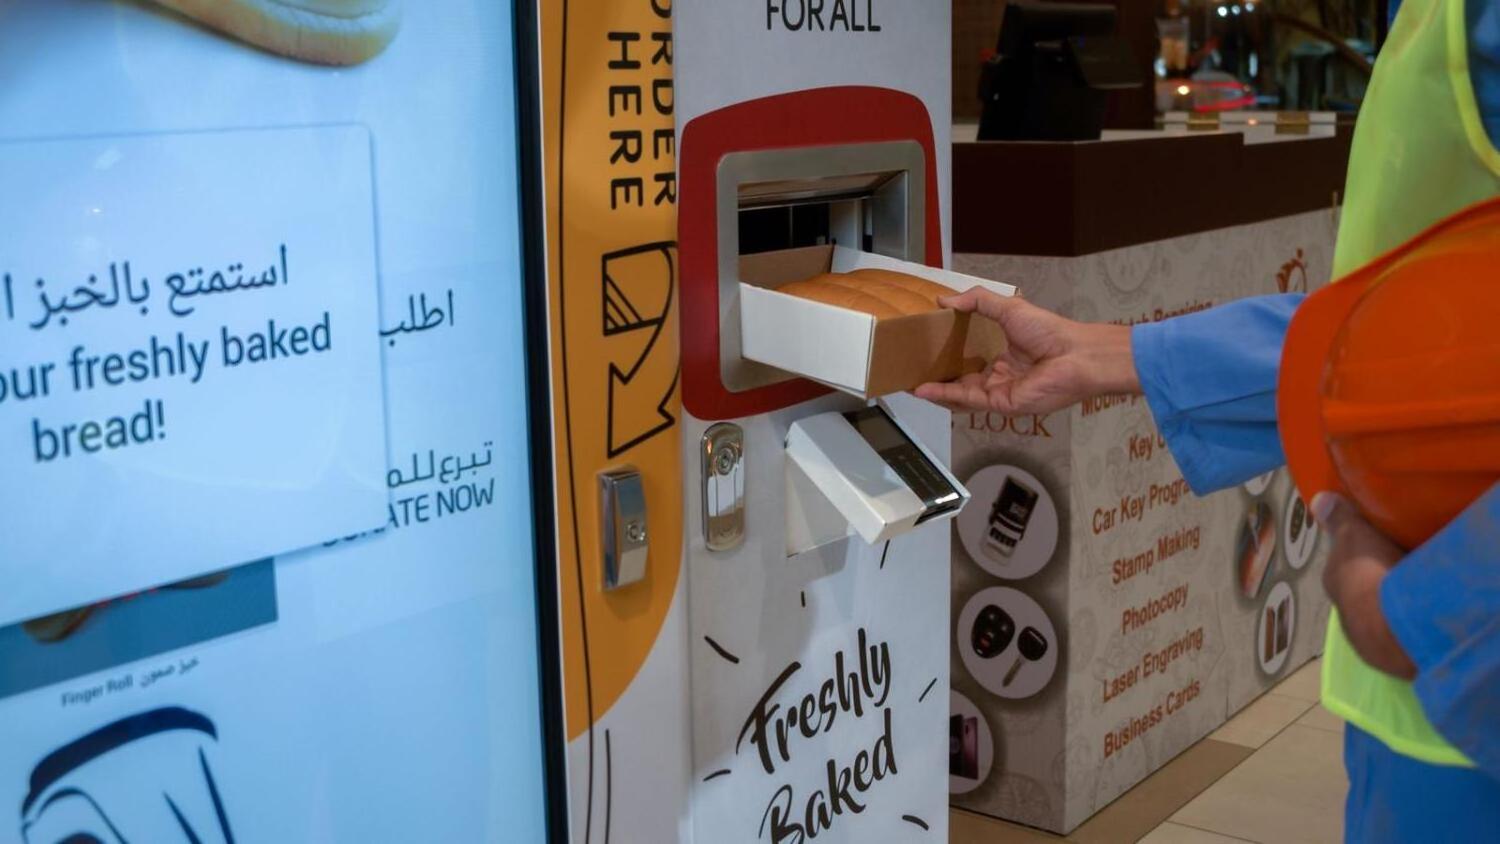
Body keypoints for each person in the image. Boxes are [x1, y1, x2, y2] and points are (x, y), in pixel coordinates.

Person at [918, 0, 1500, 839]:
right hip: (1428, 700)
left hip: (1462, 706)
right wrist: (1107, 355)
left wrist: (1432, 610)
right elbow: (1386, 350)